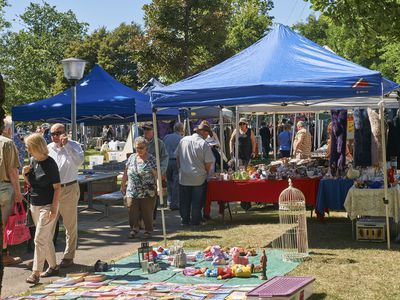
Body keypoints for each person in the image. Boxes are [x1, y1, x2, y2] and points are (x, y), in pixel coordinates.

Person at [23, 133, 61, 284]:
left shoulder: (50, 164)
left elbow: (57, 188)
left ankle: (35, 273)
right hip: (34, 204)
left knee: (39, 238)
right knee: (45, 237)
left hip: (48, 205)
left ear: (35, 146)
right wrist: (25, 174)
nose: (27, 149)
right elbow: (32, 183)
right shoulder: (33, 160)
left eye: (28, 146)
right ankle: (53, 266)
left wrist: (53, 208)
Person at [48, 123, 84, 268]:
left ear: (65, 133)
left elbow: (79, 162)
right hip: (52, 190)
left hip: (69, 188)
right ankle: (48, 257)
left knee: (70, 225)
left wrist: (67, 146)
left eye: (58, 133)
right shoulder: (49, 148)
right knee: (48, 225)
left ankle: (69, 256)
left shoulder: (74, 145)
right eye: (52, 134)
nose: (55, 136)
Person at [176, 122, 215, 226]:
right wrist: (206, 171)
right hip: (198, 177)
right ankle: (195, 221)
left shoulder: (183, 140)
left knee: (184, 201)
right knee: (197, 202)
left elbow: (178, 157)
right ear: (202, 132)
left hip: (184, 176)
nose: (207, 135)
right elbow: (209, 163)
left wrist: (181, 168)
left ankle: (185, 221)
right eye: (207, 133)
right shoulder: (203, 144)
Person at [120, 136, 157, 239]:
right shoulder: (131, 157)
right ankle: (134, 229)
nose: (139, 150)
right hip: (132, 190)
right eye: (137, 148)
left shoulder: (151, 159)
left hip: (148, 190)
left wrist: (158, 187)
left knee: (147, 212)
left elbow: (156, 174)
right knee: (131, 209)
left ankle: (148, 230)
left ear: (146, 148)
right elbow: (126, 172)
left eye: (141, 148)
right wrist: (123, 185)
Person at [0, 109, 24, 266]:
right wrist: (18, 192)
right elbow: (13, 171)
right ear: (8, 129)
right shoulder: (7, 143)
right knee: (4, 224)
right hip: (4, 188)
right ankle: (4, 255)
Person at [142, 123, 168, 219]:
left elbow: (165, 157)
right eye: (145, 130)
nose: (146, 132)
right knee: (142, 197)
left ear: (153, 131)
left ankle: (152, 219)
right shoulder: (140, 142)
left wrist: (161, 172)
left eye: (148, 130)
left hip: (154, 175)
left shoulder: (159, 143)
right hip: (142, 174)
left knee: (153, 197)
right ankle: (142, 219)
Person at [163, 122, 184, 210]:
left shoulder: (166, 137)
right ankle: (174, 203)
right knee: (176, 183)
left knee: (169, 182)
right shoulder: (181, 139)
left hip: (167, 162)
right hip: (176, 162)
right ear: (181, 129)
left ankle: (169, 201)